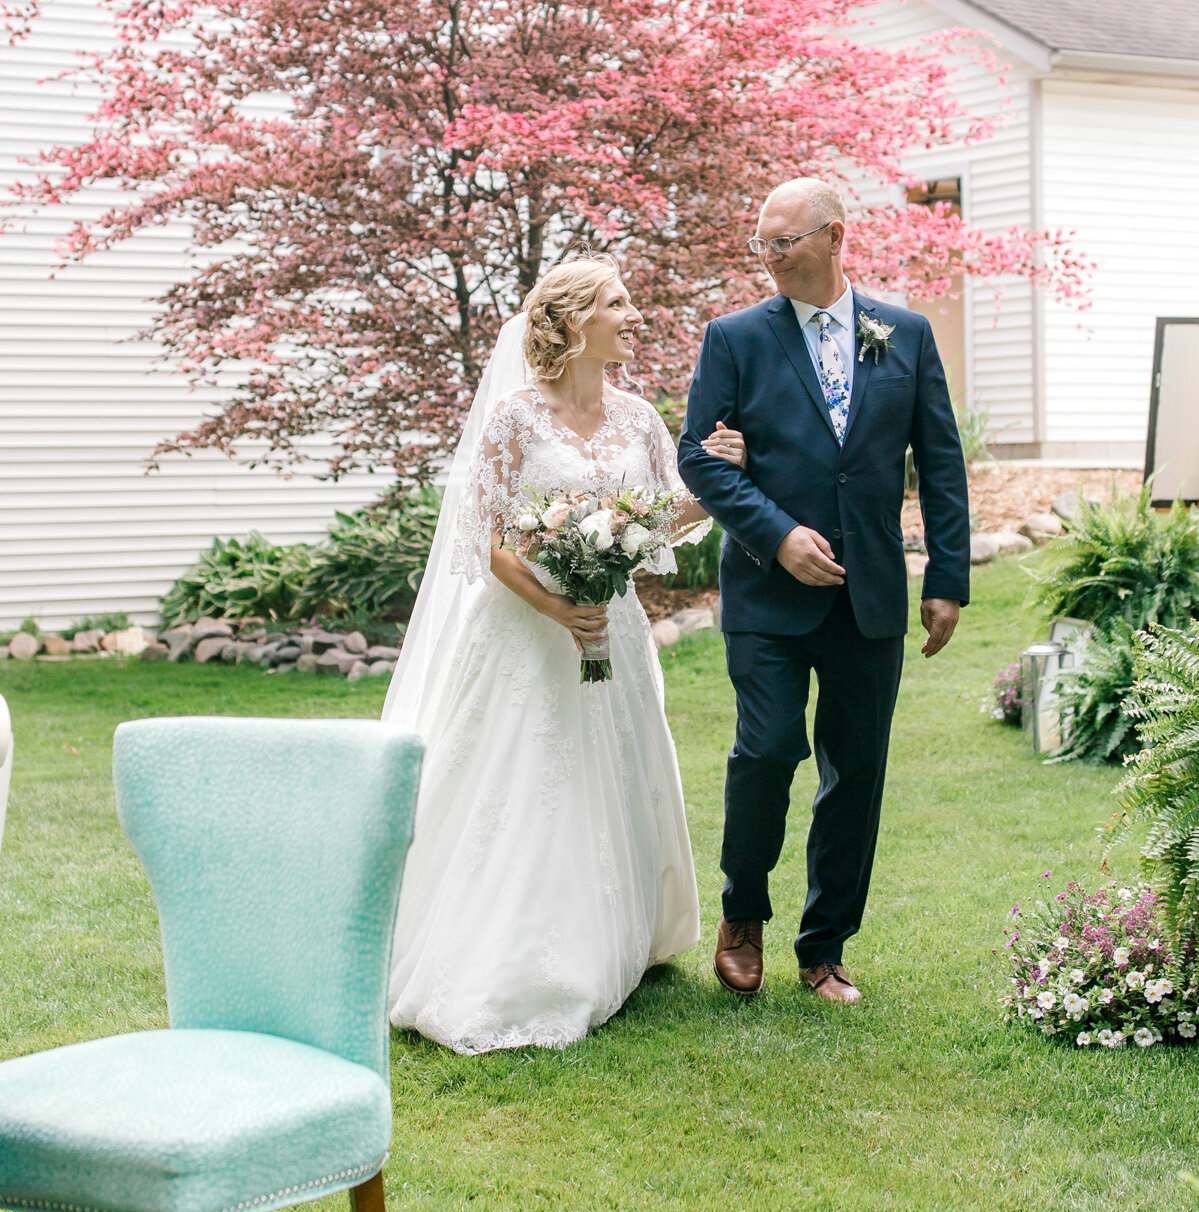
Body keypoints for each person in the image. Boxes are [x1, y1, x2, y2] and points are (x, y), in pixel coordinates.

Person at [382, 259, 739, 1054]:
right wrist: (557, 606)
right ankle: (508, 953)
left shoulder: (640, 418)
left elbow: (658, 518)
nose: (634, 315)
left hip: (611, 627)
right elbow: (494, 541)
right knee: (521, 785)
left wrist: (718, 470)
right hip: (523, 634)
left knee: (607, 777)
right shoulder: (514, 418)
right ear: (575, 320)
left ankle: (610, 928)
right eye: (618, 303)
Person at [677, 178, 970, 1006]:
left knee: (857, 772)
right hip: (769, 594)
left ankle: (825, 945)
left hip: (869, 594)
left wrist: (946, 577)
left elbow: (940, 462)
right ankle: (742, 914)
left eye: (784, 243)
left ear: (833, 237)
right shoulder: (734, 338)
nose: (770, 259)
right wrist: (776, 533)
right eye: (761, 245)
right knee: (766, 751)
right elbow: (697, 456)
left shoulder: (903, 334)